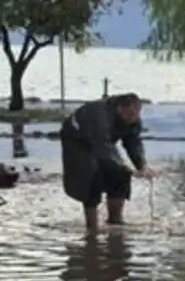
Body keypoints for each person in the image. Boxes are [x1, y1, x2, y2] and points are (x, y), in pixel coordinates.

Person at [60, 92, 155, 232]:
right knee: (91, 176)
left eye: (136, 115)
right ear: (119, 108)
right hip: (77, 142)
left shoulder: (132, 118)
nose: (132, 119)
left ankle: (115, 221)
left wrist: (142, 165)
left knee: (120, 175)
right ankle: (92, 227)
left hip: (103, 143)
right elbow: (103, 147)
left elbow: (133, 142)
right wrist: (127, 168)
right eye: (129, 115)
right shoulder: (99, 115)